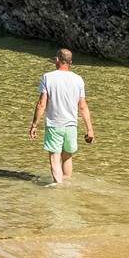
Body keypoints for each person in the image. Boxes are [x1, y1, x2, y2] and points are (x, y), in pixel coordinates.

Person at [28, 48, 94, 185]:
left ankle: (58, 187)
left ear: (57, 60)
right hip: (71, 125)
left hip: (54, 125)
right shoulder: (78, 79)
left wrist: (34, 125)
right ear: (70, 62)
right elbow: (83, 106)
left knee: (54, 157)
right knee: (67, 157)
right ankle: (66, 186)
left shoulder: (48, 77)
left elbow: (41, 104)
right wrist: (90, 130)